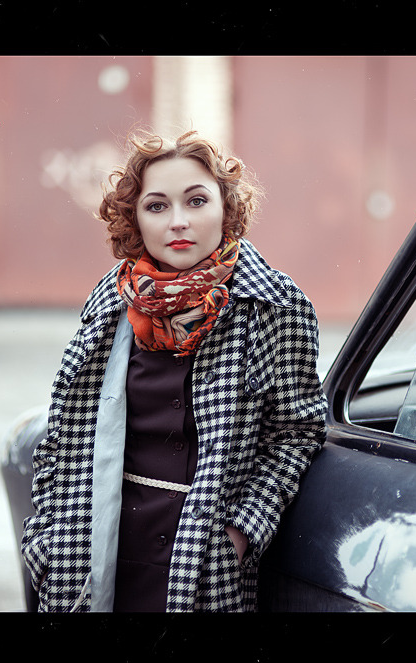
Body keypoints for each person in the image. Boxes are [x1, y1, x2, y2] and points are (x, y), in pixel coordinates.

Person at [21, 129, 327, 612]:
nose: (178, 222)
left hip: (200, 564)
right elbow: (61, 433)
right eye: (157, 206)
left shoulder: (275, 305)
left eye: (197, 201)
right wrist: (44, 537)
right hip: (93, 550)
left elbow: (297, 433)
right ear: (135, 219)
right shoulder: (111, 302)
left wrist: (240, 533)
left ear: (225, 209)